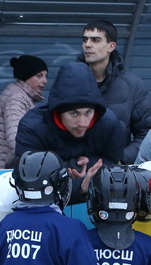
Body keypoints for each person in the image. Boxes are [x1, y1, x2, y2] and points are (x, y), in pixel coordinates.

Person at [14, 61, 128, 204]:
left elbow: (115, 166)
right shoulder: (33, 127)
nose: (83, 122)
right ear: (58, 111)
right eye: (74, 113)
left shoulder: (108, 123)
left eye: (88, 112)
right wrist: (66, 171)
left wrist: (88, 171)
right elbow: (27, 179)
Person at [75, 19, 151, 163]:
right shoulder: (70, 81)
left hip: (116, 173)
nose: (87, 44)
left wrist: (121, 158)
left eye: (95, 40)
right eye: (85, 39)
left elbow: (148, 132)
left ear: (111, 46)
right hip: (77, 169)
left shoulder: (133, 85)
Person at [0, 55, 47, 169]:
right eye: (39, 76)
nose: (45, 81)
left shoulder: (20, 96)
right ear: (26, 75)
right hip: (2, 173)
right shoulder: (16, 98)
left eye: (46, 76)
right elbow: (16, 139)